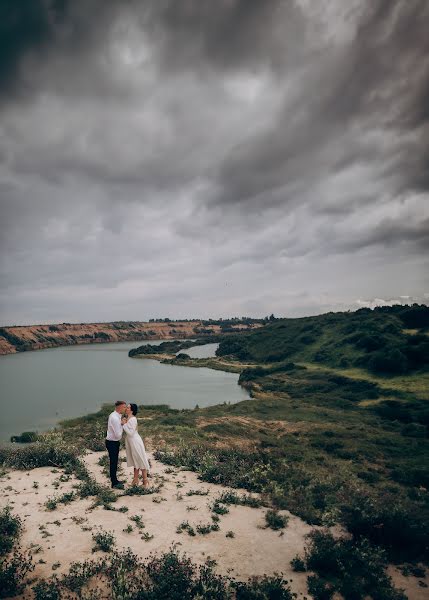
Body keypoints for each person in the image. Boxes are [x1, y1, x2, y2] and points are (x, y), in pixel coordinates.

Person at [121, 403, 150, 487]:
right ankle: (135, 480)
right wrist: (124, 423)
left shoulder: (133, 419)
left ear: (132, 410)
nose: (126, 408)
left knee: (140, 460)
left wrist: (124, 424)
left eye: (128, 407)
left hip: (135, 442)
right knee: (135, 461)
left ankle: (145, 481)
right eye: (126, 407)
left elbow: (130, 433)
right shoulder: (127, 418)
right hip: (131, 442)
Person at [105, 400, 127, 489]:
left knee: (114, 462)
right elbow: (118, 435)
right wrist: (122, 424)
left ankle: (115, 480)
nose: (125, 409)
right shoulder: (114, 417)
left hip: (113, 442)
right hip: (112, 443)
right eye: (124, 407)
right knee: (113, 462)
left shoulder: (117, 416)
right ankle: (114, 483)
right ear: (120, 407)